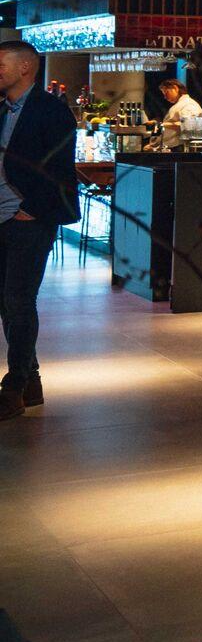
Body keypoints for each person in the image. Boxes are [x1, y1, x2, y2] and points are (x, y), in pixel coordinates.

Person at [0, 40, 75, 424]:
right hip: (1, 218)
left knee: (19, 300)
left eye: (1, 64)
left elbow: (59, 169)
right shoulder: (2, 109)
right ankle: (31, 381)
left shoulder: (52, 112)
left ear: (26, 66)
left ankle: (14, 386)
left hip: (29, 220)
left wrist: (32, 210)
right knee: (5, 302)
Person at [150, 73, 202, 147]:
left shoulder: (189, 104)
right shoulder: (179, 105)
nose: (165, 97)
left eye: (166, 92)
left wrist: (162, 124)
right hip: (165, 146)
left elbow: (189, 125)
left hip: (177, 148)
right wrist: (153, 144)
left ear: (175, 88)